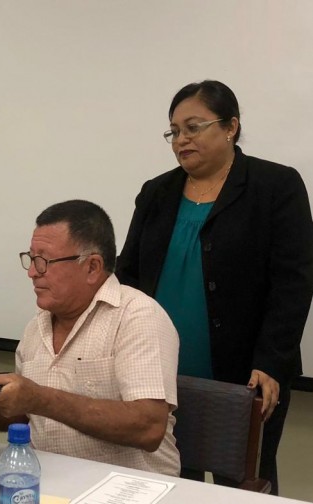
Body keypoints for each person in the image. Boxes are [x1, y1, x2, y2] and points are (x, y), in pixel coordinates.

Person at [116, 80, 313, 493]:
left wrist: (271, 361)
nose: (181, 140)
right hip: (160, 371)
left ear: (231, 127)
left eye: (193, 127)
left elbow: (294, 283)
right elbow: (128, 275)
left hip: (247, 374)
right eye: (174, 131)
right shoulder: (156, 192)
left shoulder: (275, 186)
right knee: (168, 477)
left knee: (239, 484)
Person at [0, 200, 180, 476]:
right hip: (49, 481)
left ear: (92, 267)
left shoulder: (138, 317)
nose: (32, 272)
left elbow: (148, 427)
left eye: (44, 261)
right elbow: (29, 413)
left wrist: (40, 398)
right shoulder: (36, 327)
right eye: (31, 258)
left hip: (132, 487)